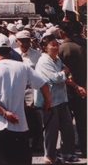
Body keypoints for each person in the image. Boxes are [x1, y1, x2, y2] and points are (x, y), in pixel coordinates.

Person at [0, 33, 51, 165]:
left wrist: (4, 113)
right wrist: (48, 102)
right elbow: (43, 84)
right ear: (10, 50)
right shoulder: (22, 67)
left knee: (1, 160)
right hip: (20, 124)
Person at [35, 34, 84, 164]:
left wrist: (75, 85)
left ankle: (67, 153)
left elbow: (67, 75)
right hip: (49, 101)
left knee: (67, 127)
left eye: (57, 44)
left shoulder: (56, 60)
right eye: (53, 44)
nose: (56, 46)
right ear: (45, 47)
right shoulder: (44, 61)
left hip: (61, 98)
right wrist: (64, 72)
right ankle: (50, 156)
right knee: (51, 130)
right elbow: (55, 78)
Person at [58, 20, 87, 158]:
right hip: (83, 88)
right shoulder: (84, 45)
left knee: (67, 123)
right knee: (83, 121)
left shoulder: (62, 48)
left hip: (68, 89)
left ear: (61, 32)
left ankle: (68, 150)